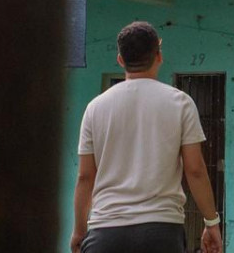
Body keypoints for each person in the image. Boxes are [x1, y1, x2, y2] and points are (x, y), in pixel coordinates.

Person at [72, 22, 222, 253]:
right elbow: (195, 170)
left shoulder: (95, 108)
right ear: (159, 56)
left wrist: (80, 231)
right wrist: (211, 222)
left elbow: (85, 176)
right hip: (162, 232)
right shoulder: (180, 103)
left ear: (120, 60)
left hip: (106, 233)